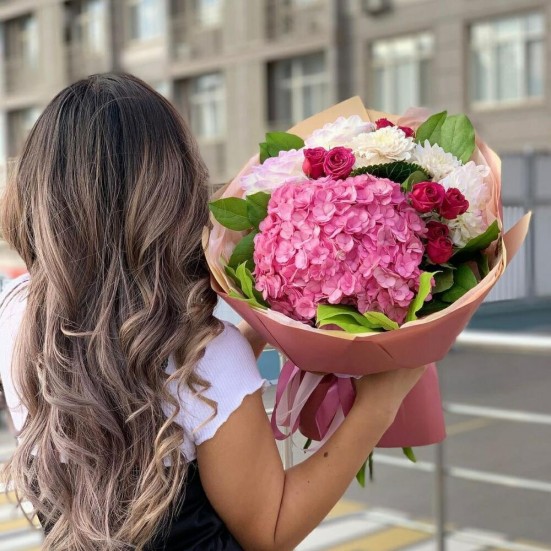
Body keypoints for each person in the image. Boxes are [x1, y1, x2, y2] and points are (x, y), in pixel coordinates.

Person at [0, 73, 426, 551]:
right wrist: (378, 404)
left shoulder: (15, 313)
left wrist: (253, 335)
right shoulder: (209, 355)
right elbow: (271, 530)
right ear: (173, 193)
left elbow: (152, 386)